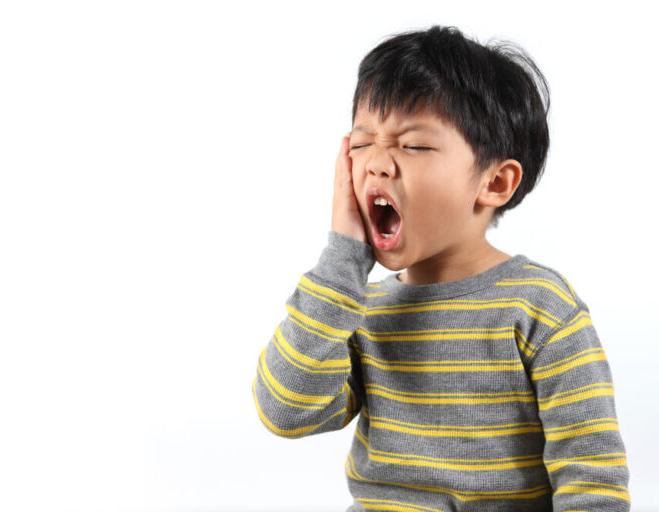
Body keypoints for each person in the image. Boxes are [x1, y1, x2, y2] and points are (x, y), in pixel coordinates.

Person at [251, 25, 630, 511]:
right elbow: (285, 410)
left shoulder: (539, 306)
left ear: (494, 182)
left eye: (413, 146)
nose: (377, 165)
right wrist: (341, 259)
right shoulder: (354, 309)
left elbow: (592, 478)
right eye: (362, 143)